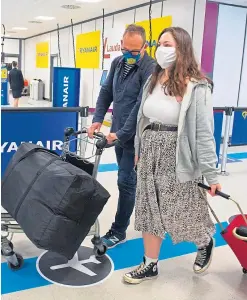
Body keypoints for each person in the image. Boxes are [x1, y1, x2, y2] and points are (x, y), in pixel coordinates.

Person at [123, 26, 222, 284]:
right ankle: (150, 264)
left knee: (183, 209)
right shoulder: (152, 79)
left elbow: (203, 132)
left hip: (177, 155)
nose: (162, 49)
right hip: (149, 150)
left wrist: (211, 174)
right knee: (147, 209)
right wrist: (139, 150)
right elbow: (142, 118)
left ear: (182, 49)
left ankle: (204, 242)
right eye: (161, 44)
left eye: (168, 44)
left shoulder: (197, 86)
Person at [88, 24, 156, 248]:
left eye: (134, 52)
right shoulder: (117, 63)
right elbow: (106, 91)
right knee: (127, 179)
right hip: (118, 132)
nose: (128, 55)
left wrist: (121, 134)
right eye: (125, 49)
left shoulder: (150, 69)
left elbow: (140, 106)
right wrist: (98, 118)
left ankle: (119, 231)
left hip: (136, 136)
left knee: (125, 181)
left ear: (145, 47)